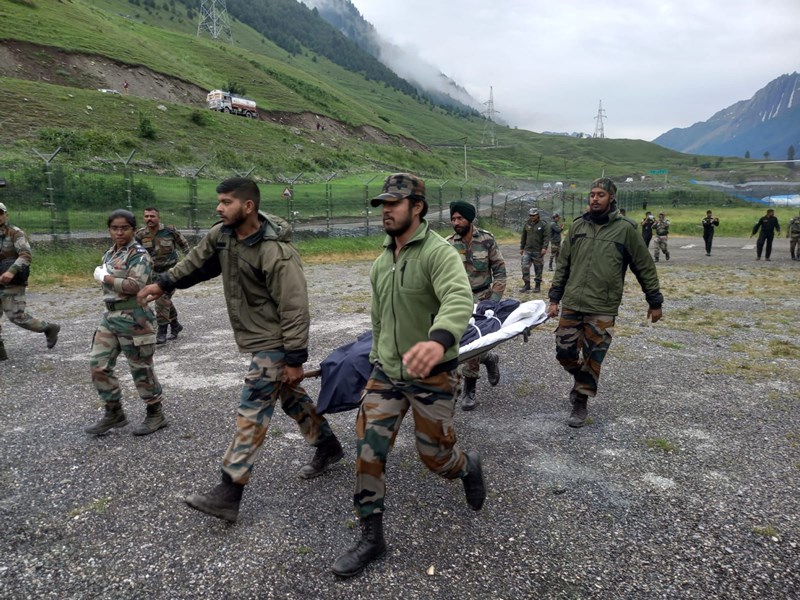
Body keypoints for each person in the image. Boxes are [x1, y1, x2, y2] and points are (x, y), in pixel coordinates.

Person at [137, 177, 342, 523]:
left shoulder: (276, 252)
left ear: (248, 207)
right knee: (290, 397)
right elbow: (197, 264)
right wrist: (163, 283)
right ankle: (328, 445)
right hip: (257, 335)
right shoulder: (223, 235)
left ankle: (229, 491)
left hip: (274, 341)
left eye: (227, 202)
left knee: (253, 411)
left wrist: (294, 359)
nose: (219, 207)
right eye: (219, 201)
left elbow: (295, 308)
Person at [332, 173, 485, 578]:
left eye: (393, 203)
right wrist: (375, 368)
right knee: (368, 451)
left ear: (417, 207)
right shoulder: (383, 261)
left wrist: (438, 340)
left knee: (436, 458)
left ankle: (468, 466)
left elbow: (458, 297)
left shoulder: (439, 253)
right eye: (382, 204)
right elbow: (379, 322)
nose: (386, 210)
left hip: (433, 376)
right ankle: (372, 538)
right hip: (388, 375)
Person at [547, 178, 663, 428]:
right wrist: (554, 298)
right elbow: (563, 265)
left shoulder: (626, 230)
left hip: (602, 306)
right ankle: (582, 379)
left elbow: (644, 266)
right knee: (564, 352)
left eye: (600, 194)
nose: (594, 199)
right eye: (591, 194)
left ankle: (581, 399)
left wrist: (654, 301)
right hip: (573, 302)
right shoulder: (577, 227)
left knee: (593, 356)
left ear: (611, 198)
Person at [86, 209, 167, 436]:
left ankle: (155, 413)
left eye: (124, 228)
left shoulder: (139, 255)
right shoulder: (110, 254)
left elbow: (135, 286)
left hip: (135, 318)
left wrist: (106, 277)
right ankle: (114, 412)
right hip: (110, 316)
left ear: (133, 229)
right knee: (98, 364)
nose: (119, 232)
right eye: (115, 228)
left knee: (141, 368)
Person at [446, 200, 506, 411]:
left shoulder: (487, 240)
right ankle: (489, 359)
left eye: (460, 218)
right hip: (457, 301)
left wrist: (494, 301)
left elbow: (499, 270)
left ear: (469, 219)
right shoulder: (448, 244)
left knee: (474, 341)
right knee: (458, 343)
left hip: (483, 299)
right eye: (453, 218)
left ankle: (469, 389)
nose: (456, 222)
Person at [0, 201, 60, 361]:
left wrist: (11, 272)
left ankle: (48, 328)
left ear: (6, 215)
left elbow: (26, 255)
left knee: (16, 316)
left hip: (12, 281)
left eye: (0, 213)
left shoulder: (15, 233)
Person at [135, 207, 191, 344]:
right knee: (165, 300)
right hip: (152, 274)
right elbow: (133, 252)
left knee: (161, 299)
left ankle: (162, 332)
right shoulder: (140, 235)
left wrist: (189, 262)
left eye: (152, 216)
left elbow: (184, 245)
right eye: (146, 216)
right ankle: (175, 325)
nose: (149, 219)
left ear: (158, 218)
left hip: (171, 273)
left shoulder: (170, 231)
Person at [519, 207, 549, 293]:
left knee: (538, 268)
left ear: (537, 215)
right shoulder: (527, 224)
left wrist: (544, 247)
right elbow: (523, 236)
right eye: (530, 215)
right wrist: (522, 247)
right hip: (527, 250)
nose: (532, 217)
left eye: (533, 215)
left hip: (538, 250)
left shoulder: (542, 224)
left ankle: (537, 286)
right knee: (524, 266)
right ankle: (527, 284)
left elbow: (546, 237)